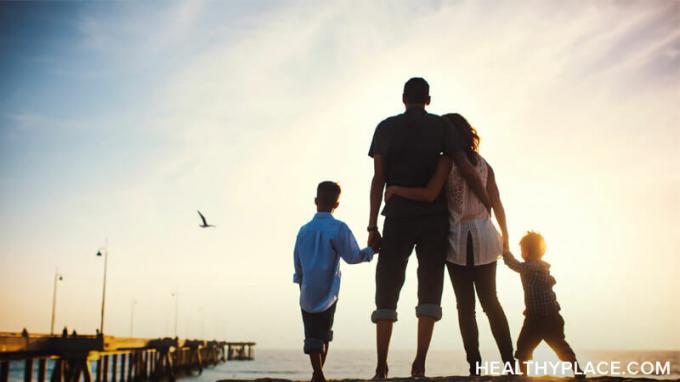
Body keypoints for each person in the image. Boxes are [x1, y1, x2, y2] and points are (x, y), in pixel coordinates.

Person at [367, 78, 490, 378]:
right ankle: (420, 362)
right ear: (429, 100)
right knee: (430, 286)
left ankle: (381, 365)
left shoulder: (385, 127)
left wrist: (372, 225)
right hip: (433, 221)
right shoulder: (441, 128)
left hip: (396, 217)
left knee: (387, 287)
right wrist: (488, 203)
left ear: (404, 98)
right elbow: (464, 167)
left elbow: (378, 180)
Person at [386, 113, 514, 375]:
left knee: (465, 307)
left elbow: (430, 193)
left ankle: (475, 368)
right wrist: (506, 238)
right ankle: (510, 364)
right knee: (492, 303)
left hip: (457, 239)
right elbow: (497, 202)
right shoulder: (484, 164)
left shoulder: (445, 161)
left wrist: (397, 189)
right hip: (486, 237)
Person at [294, 181, 378, 382]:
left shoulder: (303, 231)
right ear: (337, 204)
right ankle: (319, 373)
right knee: (324, 333)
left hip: (307, 290)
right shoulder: (338, 228)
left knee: (312, 334)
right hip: (329, 292)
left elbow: (297, 262)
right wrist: (371, 251)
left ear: (316, 201)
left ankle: (317, 374)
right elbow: (353, 256)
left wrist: (300, 283)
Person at [503, 231, 584, 377]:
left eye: (522, 251)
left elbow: (512, 264)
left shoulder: (528, 267)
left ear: (526, 252)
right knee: (561, 346)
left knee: (523, 348)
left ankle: (524, 376)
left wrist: (504, 251)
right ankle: (577, 371)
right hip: (553, 317)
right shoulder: (544, 268)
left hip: (535, 319)